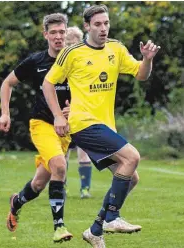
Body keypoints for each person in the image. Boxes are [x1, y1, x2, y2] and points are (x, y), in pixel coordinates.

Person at [42, 4, 160, 248]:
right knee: (132, 157)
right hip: (82, 123)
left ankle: (95, 229)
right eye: (97, 24)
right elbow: (48, 83)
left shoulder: (116, 49)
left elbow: (141, 74)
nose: (103, 28)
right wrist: (58, 116)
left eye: (106, 23)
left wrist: (147, 60)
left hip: (105, 126)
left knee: (131, 178)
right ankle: (112, 218)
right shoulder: (72, 53)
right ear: (87, 26)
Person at [0, 13, 73, 243]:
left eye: (62, 32)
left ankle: (17, 201)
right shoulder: (36, 61)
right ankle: (59, 226)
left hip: (66, 129)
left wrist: (76, 109)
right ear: (45, 34)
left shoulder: (75, 60)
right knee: (60, 166)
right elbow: (7, 83)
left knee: (39, 183)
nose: (58, 37)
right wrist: (5, 113)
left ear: (66, 33)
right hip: (41, 124)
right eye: (54, 32)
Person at [63, 27, 93, 199]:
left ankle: (85, 189)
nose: (71, 47)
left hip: (81, 113)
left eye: (75, 43)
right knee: (63, 153)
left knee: (84, 151)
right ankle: (63, 186)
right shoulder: (59, 64)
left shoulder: (85, 65)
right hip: (64, 114)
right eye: (68, 43)